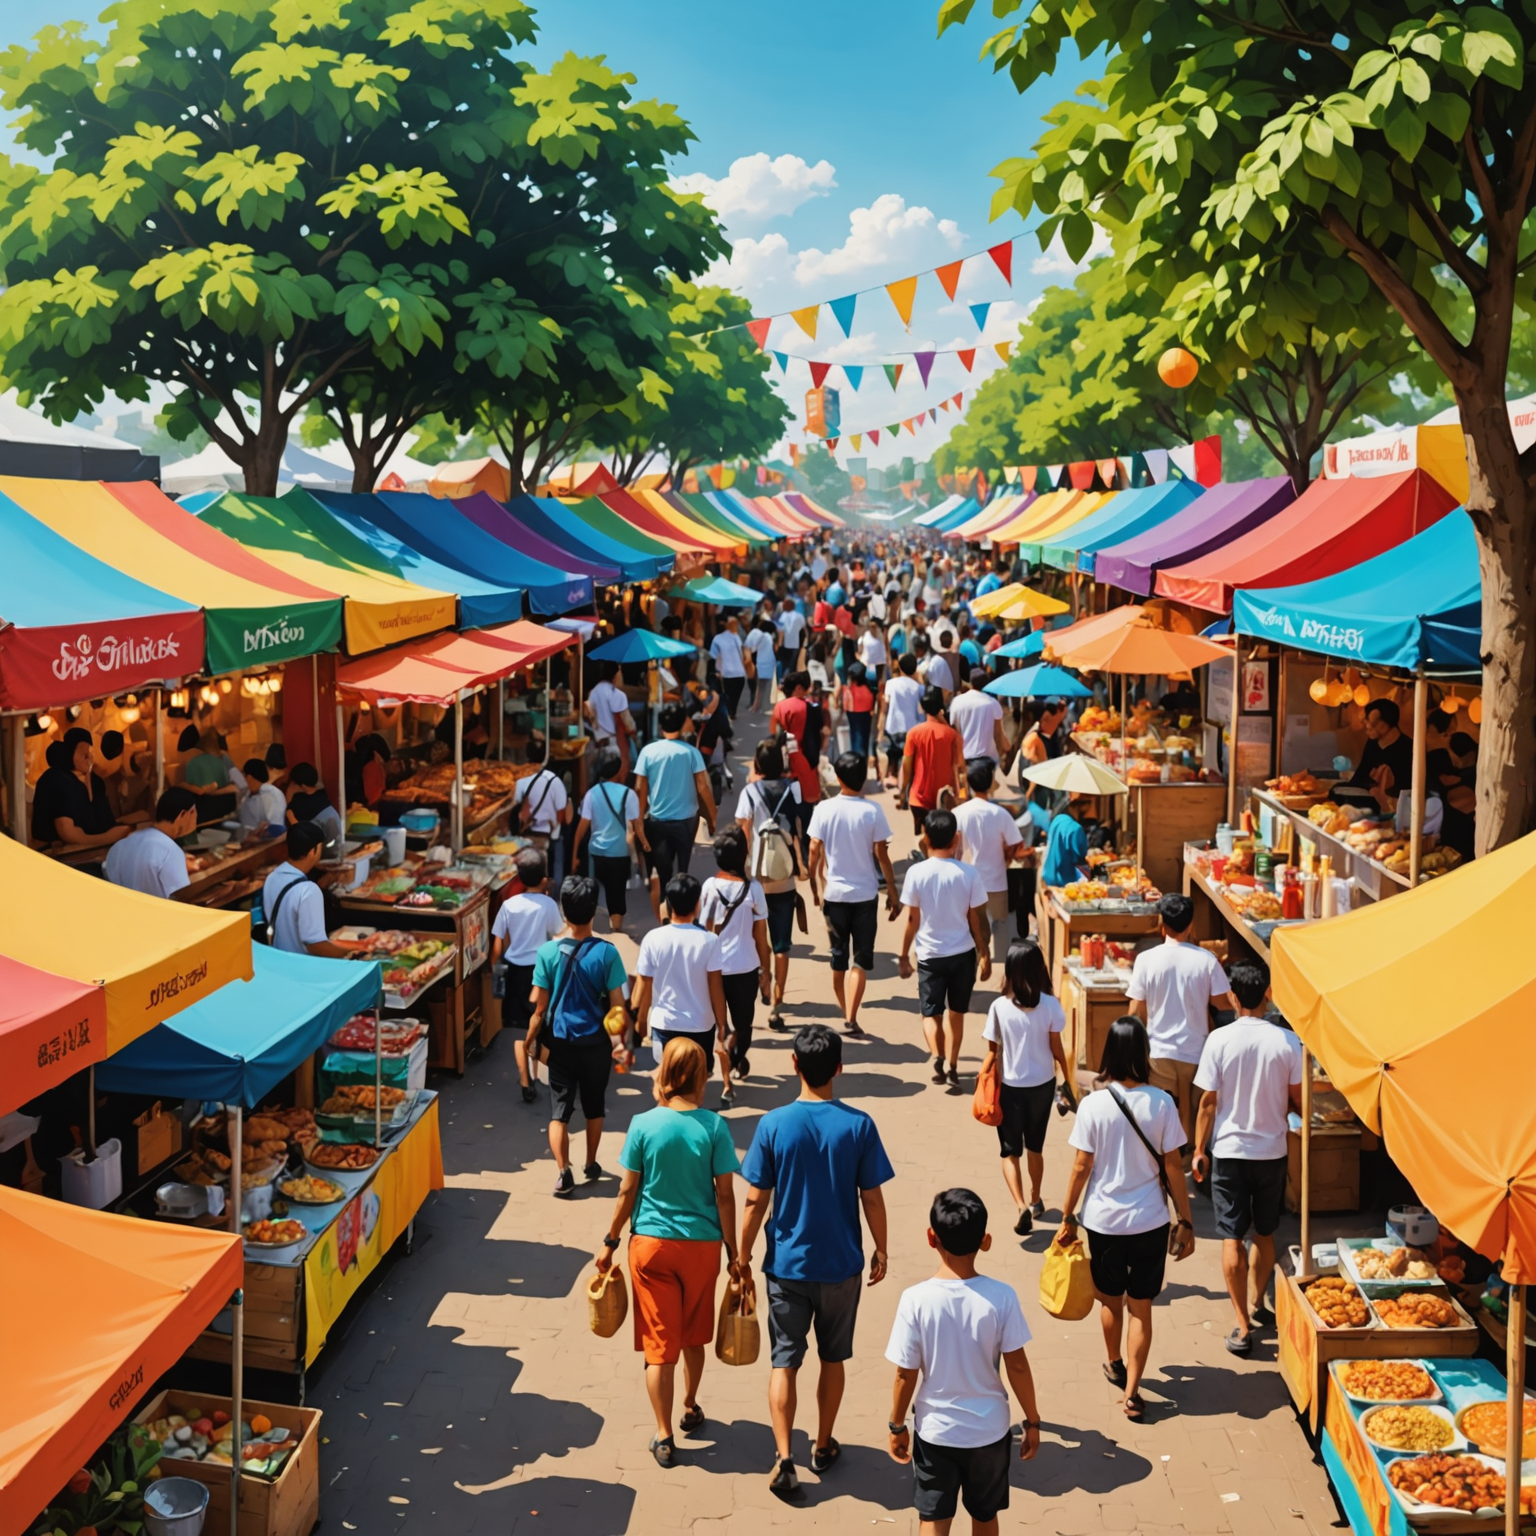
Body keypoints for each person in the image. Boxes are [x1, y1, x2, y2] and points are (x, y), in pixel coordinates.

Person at [739, 1026, 895, 1499]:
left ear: (793, 1064)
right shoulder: (859, 1125)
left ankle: (785, 1454)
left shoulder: (772, 1125)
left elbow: (754, 1200)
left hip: (786, 1266)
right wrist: (881, 1248)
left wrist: (741, 1256)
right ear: (840, 1069)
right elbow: (872, 1198)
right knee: (833, 1358)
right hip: (842, 1265)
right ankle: (823, 1444)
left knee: (784, 1362)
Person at [593, 1038, 741, 1468]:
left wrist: (610, 1240)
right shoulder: (714, 1127)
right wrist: (735, 1253)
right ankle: (691, 1405)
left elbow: (626, 1189)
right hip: (702, 1247)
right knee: (694, 1335)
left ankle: (663, 1433)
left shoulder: (643, 1123)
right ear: (700, 1077)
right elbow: (726, 1196)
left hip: (651, 1247)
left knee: (660, 1347)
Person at [1056, 1017, 1196, 1422]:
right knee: (1142, 1307)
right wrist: (1185, 1220)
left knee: (1110, 1300)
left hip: (1103, 1222)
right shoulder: (1163, 1103)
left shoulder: (1094, 1104)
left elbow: (1081, 1167)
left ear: (1109, 1055)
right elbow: (1173, 1167)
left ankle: (1113, 1362)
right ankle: (1133, 1392)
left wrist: (1066, 1215)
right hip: (1150, 1221)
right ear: (1142, 1054)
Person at [886, 1188, 1040, 1536]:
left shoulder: (915, 1300)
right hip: (989, 1432)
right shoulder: (1002, 1297)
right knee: (985, 1516)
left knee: (934, 1519)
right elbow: (1017, 1366)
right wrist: (1032, 1420)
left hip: (936, 1433)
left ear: (931, 1238)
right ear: (986, 1241)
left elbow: (904, 1374)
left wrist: (897, 1426)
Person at [1191, 959, 1304, 1355]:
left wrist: (1199, 1149)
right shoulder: (1288, 1042)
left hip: (1230, 1152)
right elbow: (1297, 1100)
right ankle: (1258, 1303)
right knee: (1266, 1233)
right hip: (1272, 1152)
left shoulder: (1219, 1040)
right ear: (1268, 994)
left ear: (1234, 997)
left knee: (1231, 1236)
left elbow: (1207, 1102)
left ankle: (1241, 1323)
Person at [527, 875, 630, 1197]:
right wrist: (619, 1042)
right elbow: (617, 1009)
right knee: (594, 1107)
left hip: (559, 1044)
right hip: (595, 1045)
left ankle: (563, 1171)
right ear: (594, 911)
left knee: (559, 1113)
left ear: (563, 911)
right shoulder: (607, 954)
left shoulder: (547, 952)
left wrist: (531, 1039)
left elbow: (539, 1009)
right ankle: (590, 1162)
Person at [1127, 893, 1236, 1149]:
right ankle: (1191, 1159)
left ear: (1162, 924)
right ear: (1191, 925)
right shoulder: (1206, 960)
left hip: (1159, 1054)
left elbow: (1135, 1009)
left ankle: (1168, 1160)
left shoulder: (1146, 960)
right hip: (1197, 1053)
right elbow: (1223, 1004)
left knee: (1163, 1115)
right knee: (1195, 1110)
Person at [981, 940, 1071, 1235]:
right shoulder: (1050, 1005)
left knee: (1009, 1151)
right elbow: (1057, 1048)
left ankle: (1020, 1206)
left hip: (1010, 1087)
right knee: (1035, 1147)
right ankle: (1035, 1199)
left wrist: (982, 1078)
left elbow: (993, 1052)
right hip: (1043, 1085)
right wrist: (1067, 1080)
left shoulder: (998, 1007)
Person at [808, 750, 899, 1038]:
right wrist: (893, 891)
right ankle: (851, 1015)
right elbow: (882, 855)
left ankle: (845, 1009)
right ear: (864, 780)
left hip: (834, 896)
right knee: (860, 960)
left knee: (838, 958)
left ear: (837, 777)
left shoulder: (824, 809)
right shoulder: (872, 811)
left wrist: (815, 880)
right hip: (865, 896)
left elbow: (813, 850)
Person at [899, 809, 992, 1088]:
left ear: (925, 838)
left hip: (929, 955)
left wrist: (903, 954)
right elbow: (976, 920)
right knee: (957, 1013)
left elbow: (912, 919)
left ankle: (936, 1055)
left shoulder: (916, 873)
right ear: (956, 839)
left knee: (931, 1013)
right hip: (962, 954)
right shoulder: (969, 874)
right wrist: (984, 952)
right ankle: (952, 1063)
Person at [635, 874, 732, 1102]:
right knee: (695, 1087)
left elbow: (644, 985)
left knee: (667, 1084)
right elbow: (716, 986)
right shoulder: (709, 941)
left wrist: (640, 1020)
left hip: (664, 1026)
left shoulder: (653, 939)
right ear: (697, 904)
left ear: (668, 905)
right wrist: (722, 1023)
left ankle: (667, 1125)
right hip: (700, 1027)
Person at [736, 740, 806, 1030]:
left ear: (758, 764)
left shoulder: (749, 792)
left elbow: (743, 831)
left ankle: (763, 980)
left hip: (757, 878)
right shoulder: (795, 788)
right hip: (785, 876)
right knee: (782, 944)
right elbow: (799, 828)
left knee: (757, 938)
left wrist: (744, 870)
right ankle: (777, 1002)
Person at [699, 829, 771, 1105]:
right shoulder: (753, 889)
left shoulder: (708, 887)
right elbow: (760, 936)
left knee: (717, 1023)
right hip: (745, 967)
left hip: (713, 968)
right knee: (743, 1026)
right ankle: (734, 1056)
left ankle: (721, 1063)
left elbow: (704, 929)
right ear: (743, 855)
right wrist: (766, 971)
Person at [492, 848, 565, 1104]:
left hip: (514, 972)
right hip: (541, 971)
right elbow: (557, 932)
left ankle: (526, 1081)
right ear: (543, 877)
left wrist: (492, 968)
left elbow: (498, 946)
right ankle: (546, 1071)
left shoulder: (508, 905)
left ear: (519, 877)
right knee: (540, 1023)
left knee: (517, 1029)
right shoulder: (548, 904)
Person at [634, 703, 717, 908]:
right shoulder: (691, 753)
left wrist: (638, 824)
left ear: (661, 726)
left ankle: (666, 907)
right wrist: (712, 816)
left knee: (664, 873)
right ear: (681, 725)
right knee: (683, 869)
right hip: (686, 821)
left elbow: (639, 789)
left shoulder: (648, 752)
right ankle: (682, 908)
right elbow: (703, 787)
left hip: (657, 822)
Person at [953, 760, 1026, 964]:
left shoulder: (959, 813)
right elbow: (1017, 845)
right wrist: (1008, 855)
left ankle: (974, 963)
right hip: (995, 882)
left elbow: (953, 846)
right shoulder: (1000, 814)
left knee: (969, 928)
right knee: (1000, 927)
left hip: (966, 882)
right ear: (991, 782)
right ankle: (1002, 969)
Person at [575, 747, 648, 932]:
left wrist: (574, 853)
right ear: (618, 772)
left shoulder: (592, 793)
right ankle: (615, 930)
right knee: (616, 893)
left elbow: (582, 827)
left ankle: (589, 930)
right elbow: (636, 825)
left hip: (596, 852)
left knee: (594, 890)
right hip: (619, 852)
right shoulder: (628, 794)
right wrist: (644, 845)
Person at [261, 822, 358, 957]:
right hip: (303, 967)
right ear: (313, 850)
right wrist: (351, 955)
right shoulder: (309, 891)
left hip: (280, 961)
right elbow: (315, 945)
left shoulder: (272, 877)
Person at [31, 728, 132, 849]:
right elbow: (68, 832)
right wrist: (108, 838)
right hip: (56, 857)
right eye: (84, 753)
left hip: (96, 854)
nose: (89, 756)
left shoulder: (96, 783)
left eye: (91, 751)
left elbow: (106, 822)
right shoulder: (56, 778)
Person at [104, 786, 198, 898]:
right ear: (183, 815)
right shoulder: (171, 852)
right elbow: (182, 897)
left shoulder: (119, 846)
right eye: (194, 812)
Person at [771, 671, 826, 855]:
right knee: (806, 811)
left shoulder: (780, 707)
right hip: (806, 767)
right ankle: (808, 850)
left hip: (784, 767)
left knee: (788, 812)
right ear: (799, 688)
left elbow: (774, 735)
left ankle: (793, 855)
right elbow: (820, 734)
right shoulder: (811, 708)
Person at [899, 687, 966, 840]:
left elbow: (906, 765)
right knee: (942, 841)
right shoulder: (952, 735)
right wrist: (962, 793)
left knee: (922, 840)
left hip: (918, 797)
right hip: (944, 797)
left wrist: (903, 790)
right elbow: (960, 767)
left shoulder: (914, 733)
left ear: (923, 708)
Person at [513, 757, 572, 890]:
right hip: (548, 834)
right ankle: (553, 896)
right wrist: (555, 831)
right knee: (555, 866)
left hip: (527, 835)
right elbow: (561, 811)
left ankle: (526, 893)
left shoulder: (522, 780)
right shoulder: (555, 782)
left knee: (527, 867)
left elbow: (517, 806)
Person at [1344, 697, 1415, 804]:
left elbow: (1407, 787)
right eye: (1367, 721)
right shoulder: (1372, 743)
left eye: (1373, 723)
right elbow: (1361, 773)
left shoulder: (1408, 748)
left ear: (1386, 723)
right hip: (1369, 798)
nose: (1367, 726)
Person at [879, 653, 925, 787]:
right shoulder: (918, 687)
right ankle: (904, 781)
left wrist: (880, 728)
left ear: (900, 667)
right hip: (911, 726)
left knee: (893, 753)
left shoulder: (891, 684)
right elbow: (921, 708)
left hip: (892, 725)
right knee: (907, 756)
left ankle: (891, 776)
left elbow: (884, 706)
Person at [949, 670, 1007, 765]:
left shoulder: (956, 702)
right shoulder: (993, 703)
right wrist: (1000, 755)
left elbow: (955, 731)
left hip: (965, 758)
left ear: (970, 684)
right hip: (989, 759)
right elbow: (998, 734)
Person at [585, 661, 634, 770]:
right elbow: (628, 724)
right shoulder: (618, 695)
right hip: (615, 747)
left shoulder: (593, 692)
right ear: (616, 674)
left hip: (597, 747)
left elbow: (590, 717)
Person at [1039, 794, 1091, 888]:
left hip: (1049, 876)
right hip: (1066, 881)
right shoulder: (1076, 828)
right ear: (1082, 807)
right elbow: (1079, 857)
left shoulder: (1058, 819)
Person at [837, 661, 876, 774]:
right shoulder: (869, 687)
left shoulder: (850, 687)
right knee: (864, 739)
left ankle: (857, 767)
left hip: (853, 714)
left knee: (856, 739)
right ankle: (862, 765)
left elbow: (845, 702)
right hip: (866, 715)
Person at [709, 613, 750, 717]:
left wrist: (715, 671)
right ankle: (732, 713)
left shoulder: (716, 639)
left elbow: (712, 657)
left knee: (727, 698)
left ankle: (728, 716)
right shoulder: (735, 637)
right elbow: (741, 653)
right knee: (734, 699)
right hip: (740, 673)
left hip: (727, 674)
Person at [238, 758, 287, 836]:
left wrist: (256, 835)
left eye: (244, 775)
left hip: (267, 842)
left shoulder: (272, 794)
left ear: (249, 777)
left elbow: (276, 828)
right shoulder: (246, 794)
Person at [745, 617, 778, 712]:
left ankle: (756, 707)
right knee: (765, 686)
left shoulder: (761, 636)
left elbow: (752, 648)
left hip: (762, 663)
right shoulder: (769, 637)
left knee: (760, 686)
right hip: (769, 663)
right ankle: (762, 706)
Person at [775, 596, 808, 682]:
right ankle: (789, 680)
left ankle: (783, 680)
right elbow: (804, 630)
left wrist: (779, 645)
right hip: (795, 644)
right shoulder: (799, 616)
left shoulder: (783, 616)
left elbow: (781, 632)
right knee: (792, 665)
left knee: (785, 664)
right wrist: (805, 643)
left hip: (785, 645)